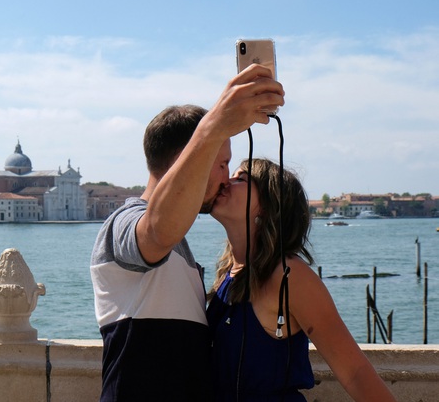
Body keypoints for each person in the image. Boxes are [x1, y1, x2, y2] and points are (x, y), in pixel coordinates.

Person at [90, 65, 284, 402]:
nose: (227, 177)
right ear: (187, 160)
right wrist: (212, 128)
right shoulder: (122, 223)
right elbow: (154, 233)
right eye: (222, 163)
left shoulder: (180, 242)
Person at [207, 158, 396, 401]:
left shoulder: (288, 275)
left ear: (267, 205)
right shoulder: (230, 273)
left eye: (241, 179)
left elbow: (355, 372)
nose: (226, 182)